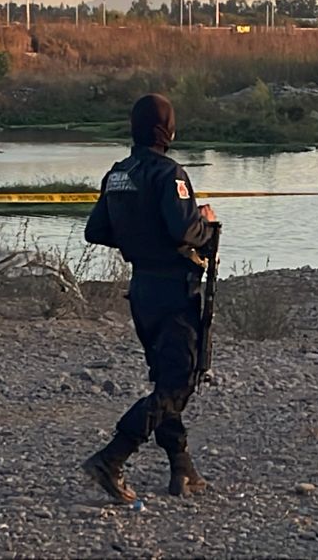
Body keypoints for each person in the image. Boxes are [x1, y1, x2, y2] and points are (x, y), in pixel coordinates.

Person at [81, 93, 218, 503]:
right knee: (178, 382)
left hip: (141, 290)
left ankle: (182, 468)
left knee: (165, 377)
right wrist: (207, 227)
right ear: (167, 129)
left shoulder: (119, 174)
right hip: (175, 289)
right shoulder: (167, 173)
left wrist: (136, 234)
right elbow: (183, 228)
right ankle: (113, 457)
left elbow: (96, 231)